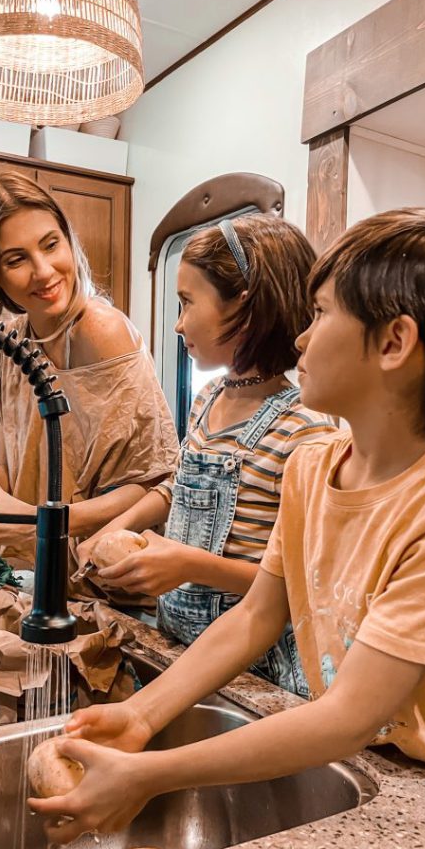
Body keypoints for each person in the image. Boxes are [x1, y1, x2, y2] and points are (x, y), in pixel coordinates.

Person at [29, 208, 425, 841]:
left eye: (321, 313)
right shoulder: (314, 467)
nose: (300, 337)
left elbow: (349, 715)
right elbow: (255, 617)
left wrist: (150, 773)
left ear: (393, 343)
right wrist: (139, 714)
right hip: (367, 764)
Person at [78, 214, 335, 693]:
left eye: (187, 302)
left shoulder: (304, 430)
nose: (177, 324)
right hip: (179, 649)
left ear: (248, 307)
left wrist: (187, 565)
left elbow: (297, 582)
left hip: (253, 674)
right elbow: (176, 489)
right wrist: (115, 528)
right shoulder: (208, 398)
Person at [0, 171, 179, 582]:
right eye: (16, 259)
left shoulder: (100, 332)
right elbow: (19, 476)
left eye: (51, 244)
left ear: (68, 240)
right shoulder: (9, 345)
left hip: (114, 581)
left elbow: (156, 484)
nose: (44, 271)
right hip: (51, 579)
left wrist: (37, 519)